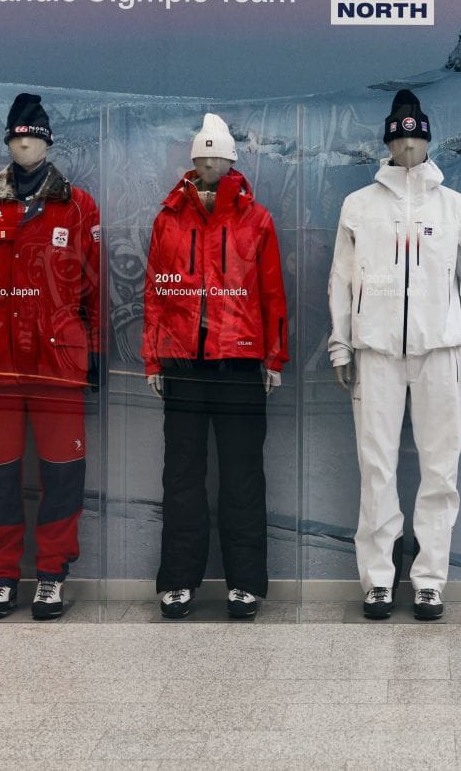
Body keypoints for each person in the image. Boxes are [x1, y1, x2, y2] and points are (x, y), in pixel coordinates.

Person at [328, 90, 461, 621]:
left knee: (440, 472)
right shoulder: (359, 205)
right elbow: (341, 280)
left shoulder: (454, 206)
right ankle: (378, 580)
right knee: (376, 468)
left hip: (440, 350)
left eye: (415, 138)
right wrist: (341, 343)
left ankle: (429, 581)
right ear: (388, 144)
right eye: (399, 139)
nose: (408, 147)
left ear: (427, 141)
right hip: (376, 352)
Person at [0, 93, 101, 622]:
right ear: (8, 143)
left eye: (33, 137)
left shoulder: (77, 207)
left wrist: (96, 348)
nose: (25, 144)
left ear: (48, 143)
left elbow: (93, 284)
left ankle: (52, 575)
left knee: (63, 474)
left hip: (59, 362)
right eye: (17, 137)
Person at [144, 114, 289, 620]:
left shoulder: (255, 219)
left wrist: (274, 357)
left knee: (242, 476)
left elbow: (272, 293)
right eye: (201, 157)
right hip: (182, 361)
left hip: (240, 362)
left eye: (217, 157)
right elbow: (155, 293)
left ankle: (245, 583)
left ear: (230, 161)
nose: (208, 164)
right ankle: (177, 580)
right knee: (181, 477)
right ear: (192, 161)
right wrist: (153, 356)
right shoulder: (168, 218)